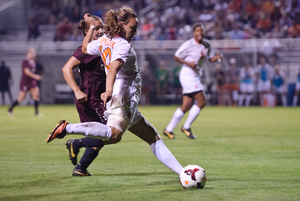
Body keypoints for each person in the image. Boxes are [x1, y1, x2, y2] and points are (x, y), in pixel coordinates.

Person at [47, 7, 183, 176]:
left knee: (151, 137)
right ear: (121, 25)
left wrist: (90, 28)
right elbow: (112, 68)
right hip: (124, 96)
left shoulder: (104, 40)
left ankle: (183, 172)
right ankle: (68, 130)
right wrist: (109, 90)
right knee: (113, 134)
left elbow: (84, 48)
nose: (135, 31)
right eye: (132, 27)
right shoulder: (122, 45)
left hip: (121, 96)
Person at [163, 23, 222, 139]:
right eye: (197, 31)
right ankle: (186, 126)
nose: (200, 33)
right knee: (202, 101)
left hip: (195, 75)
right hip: (187, 74)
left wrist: (218, 58)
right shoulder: (189, 44)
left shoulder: (207, 44)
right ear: (194, 33)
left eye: (201, 31)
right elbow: (176, 56)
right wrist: (188, 63)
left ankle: (168, 130)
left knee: (186, 106)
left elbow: (210, 59)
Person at [8, 48, 42, 116]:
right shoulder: (25, 61)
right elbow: (27, 72)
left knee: (36, 95)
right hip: (25, 82)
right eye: (31, 53)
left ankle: (36, 112)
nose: (33, 54)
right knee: (21, 98)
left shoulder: (33, 62)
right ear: (28, 53)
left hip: (32, 81)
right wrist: (36, 76)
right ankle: (10, 109)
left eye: (33, 53)